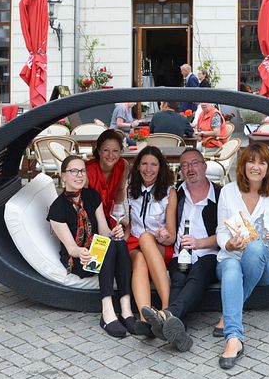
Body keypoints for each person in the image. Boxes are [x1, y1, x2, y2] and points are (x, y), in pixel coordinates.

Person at [215, 143, 269, 369]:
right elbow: (221, 231)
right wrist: (228, 244)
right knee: (230, 269)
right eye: (251, 161)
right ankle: (233, 338)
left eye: (262, 163)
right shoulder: (229, 192)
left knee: (257, 247)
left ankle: (228, 315)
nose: (256, 167)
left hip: (267, 262)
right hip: (231, 257)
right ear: (243, 164)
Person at [140, 148, 221, 352]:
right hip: (180, 254)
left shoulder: (220, 195)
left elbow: (226, 234)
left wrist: (200, 243)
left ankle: (164, 316)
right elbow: (165, 225)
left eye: (194, 163)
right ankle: (178, 333)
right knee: (177, 280)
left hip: (208, 253)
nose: (190, 168)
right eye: (184, 165)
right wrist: (165, 236)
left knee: (198, 274)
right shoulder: (176, 193)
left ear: (204, 166)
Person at [47, 155, 137, 338]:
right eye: (73, 171)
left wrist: (114, 232)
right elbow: (71, 249)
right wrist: (82, 251)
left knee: (118, 243)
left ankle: (126, 310)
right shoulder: (57, 209)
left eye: (82, 171)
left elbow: (104, 230)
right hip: (79, 259)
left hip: (99, 250)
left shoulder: (92, 196)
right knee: (110, 247)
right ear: (63, 176)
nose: (79, 175)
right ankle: (107, 311)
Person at [127, 146, 178, 336]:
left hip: (160, 246)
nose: (149, 169)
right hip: (134, 243)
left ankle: (166, 309)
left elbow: (172, 235)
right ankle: (145, 319)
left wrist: (165, 236)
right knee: (140, 257)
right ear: (138, 166)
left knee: (147, 237)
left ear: (161, 167)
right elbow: (126, 224)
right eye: (145, 164)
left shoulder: (169, 193)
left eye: (154, 165)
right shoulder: (129, 189)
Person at [86, 129, 130, 229]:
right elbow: (82, 202)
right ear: (99, 151)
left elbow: (120, 190)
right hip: (91, 217)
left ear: (120, 152)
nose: (111, 155)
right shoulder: (87, 170)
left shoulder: (123, 165)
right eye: (106, 150)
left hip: (111, 214)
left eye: (115, 151)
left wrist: (118, 215)